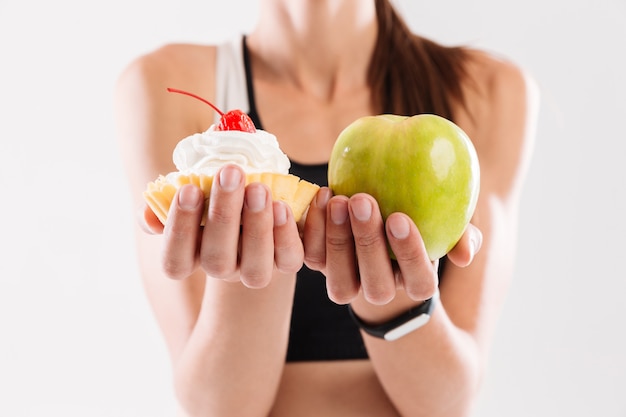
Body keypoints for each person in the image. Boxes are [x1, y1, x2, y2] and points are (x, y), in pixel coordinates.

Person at [115, 0, 538, 416]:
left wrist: (388, 296)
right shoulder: (164, 80)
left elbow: (450, 401)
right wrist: (255, 267)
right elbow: (216, 407)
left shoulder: (485, 89)